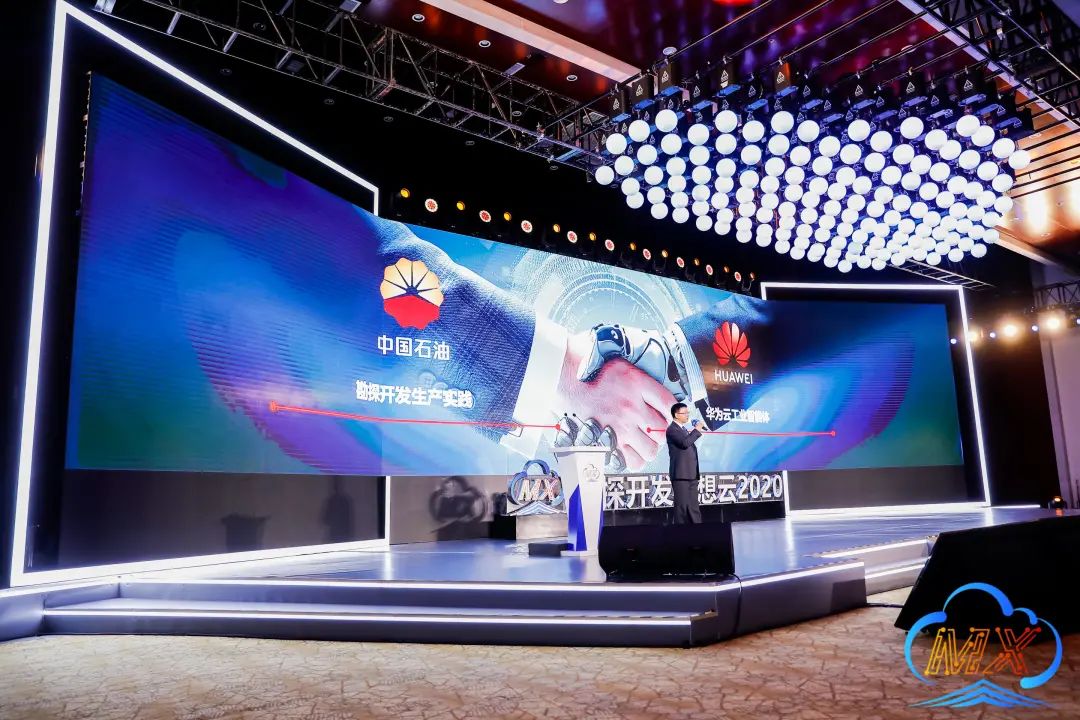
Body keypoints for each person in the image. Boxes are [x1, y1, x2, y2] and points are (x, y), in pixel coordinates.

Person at [665, 402, 703, 524]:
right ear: (676, 415)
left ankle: (698, 531)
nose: (687, 415)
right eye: (684, 413)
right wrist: (697, 430)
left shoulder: (683, 429)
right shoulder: (672, 429)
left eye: (688, 412)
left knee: (693, 508)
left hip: (691, 474)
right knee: (681, 509)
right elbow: (684, 443)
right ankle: (680, 534)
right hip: (681, 475)